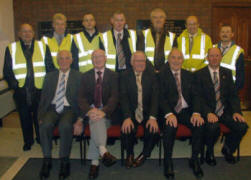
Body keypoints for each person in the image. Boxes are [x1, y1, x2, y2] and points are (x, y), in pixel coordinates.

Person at [3, 23, 54, 151]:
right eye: (24, 31)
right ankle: (28, 140)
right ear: (19, 34)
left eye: (30, 31)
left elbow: (50, 68)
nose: (27, 34)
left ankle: (40, 138)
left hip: (39, 89)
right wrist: (15, 86)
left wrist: (47, 87)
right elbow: (7, 71)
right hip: (21, 89)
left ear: (33, 33)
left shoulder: (42, 46)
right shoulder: (11, 48)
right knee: (24, 117)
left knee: (39, 116)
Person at [195, 47, 248, 166]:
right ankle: (209, 151)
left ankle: (228, 149)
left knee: (242, 126)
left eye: (217, 56)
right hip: (208, 111)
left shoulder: (227, 73)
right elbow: (197, 98)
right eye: (212, 56)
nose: (214, 58)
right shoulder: (199, 74)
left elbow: (233, 96)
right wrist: (208, 112)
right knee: (213, 128)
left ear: (221, 57)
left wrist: (236, 111)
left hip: (224, 111)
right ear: (207, 58)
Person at [159, 48, 204, 179]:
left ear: (182, 60)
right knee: (170, 127)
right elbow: (160, 97)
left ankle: (194, 159)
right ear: (168, 59)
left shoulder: (189, 75)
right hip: (169, 112)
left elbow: (196, 96)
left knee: (199, 125)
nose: (176, 61)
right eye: (173, 57)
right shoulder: (161, 75)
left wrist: (196, 113)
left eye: (179, 58)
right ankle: (168, 161)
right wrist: (168, 114)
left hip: (185, 111)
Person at [38, 50, 82, 179]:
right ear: (57, 61)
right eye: (61, 58)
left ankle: (64, 160)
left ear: (72, 60)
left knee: (65, 125)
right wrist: (40, 116)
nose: (63, 61)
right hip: (52, 108)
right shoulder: (49, 76)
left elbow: (83, 99)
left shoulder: (79, 76)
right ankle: (47, 160)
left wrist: (80, 119)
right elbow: (43, 98)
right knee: (45, 125)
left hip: (70, 109)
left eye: (67, 58)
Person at [78, 49, 118, 179]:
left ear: (105, 58)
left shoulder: (113, 76)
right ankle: (103, 151)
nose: (98, 59)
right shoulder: (85, 76)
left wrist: (103, 111)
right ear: (91, 60)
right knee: (96, 119)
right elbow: (81, 98)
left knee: (98, 120)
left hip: (107, 113)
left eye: (100, 56)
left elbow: (114, 97)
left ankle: (95, 162)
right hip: (91, 113)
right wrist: (90, 111)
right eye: (95, 57)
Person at [120, 51, 159, 169]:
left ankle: (144, 154)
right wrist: (127, 117)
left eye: (143, 61)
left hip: (147, 111)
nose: (141, 63)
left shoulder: (152, 75)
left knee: (153, 129)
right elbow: (123, 97)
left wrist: (152, 117)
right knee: (126, 128)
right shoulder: (124, 76)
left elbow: (155, 97)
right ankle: (130, 153)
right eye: (138, 61)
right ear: (132, 62)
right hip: (132, 111)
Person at [140, 8, 177, 72]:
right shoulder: (143, 35)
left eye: (161, 17)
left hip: (166, 72)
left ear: (164, 20)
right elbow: (141, 54)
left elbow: (174, 57)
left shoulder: (172, 37)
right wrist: (152, 70)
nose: (158, 20)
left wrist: (162, 70)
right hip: (147, 71)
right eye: (155, 17)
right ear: (151, 20)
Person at [214, 24, 245, 91]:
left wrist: (233, 91)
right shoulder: (212, 48)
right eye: (223, 32)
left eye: (227, 32)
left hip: (230, 90)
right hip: (213, 90)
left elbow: (241, 77)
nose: (225, 34)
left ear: (232, 34)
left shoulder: (238, 51)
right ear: (219, 34)